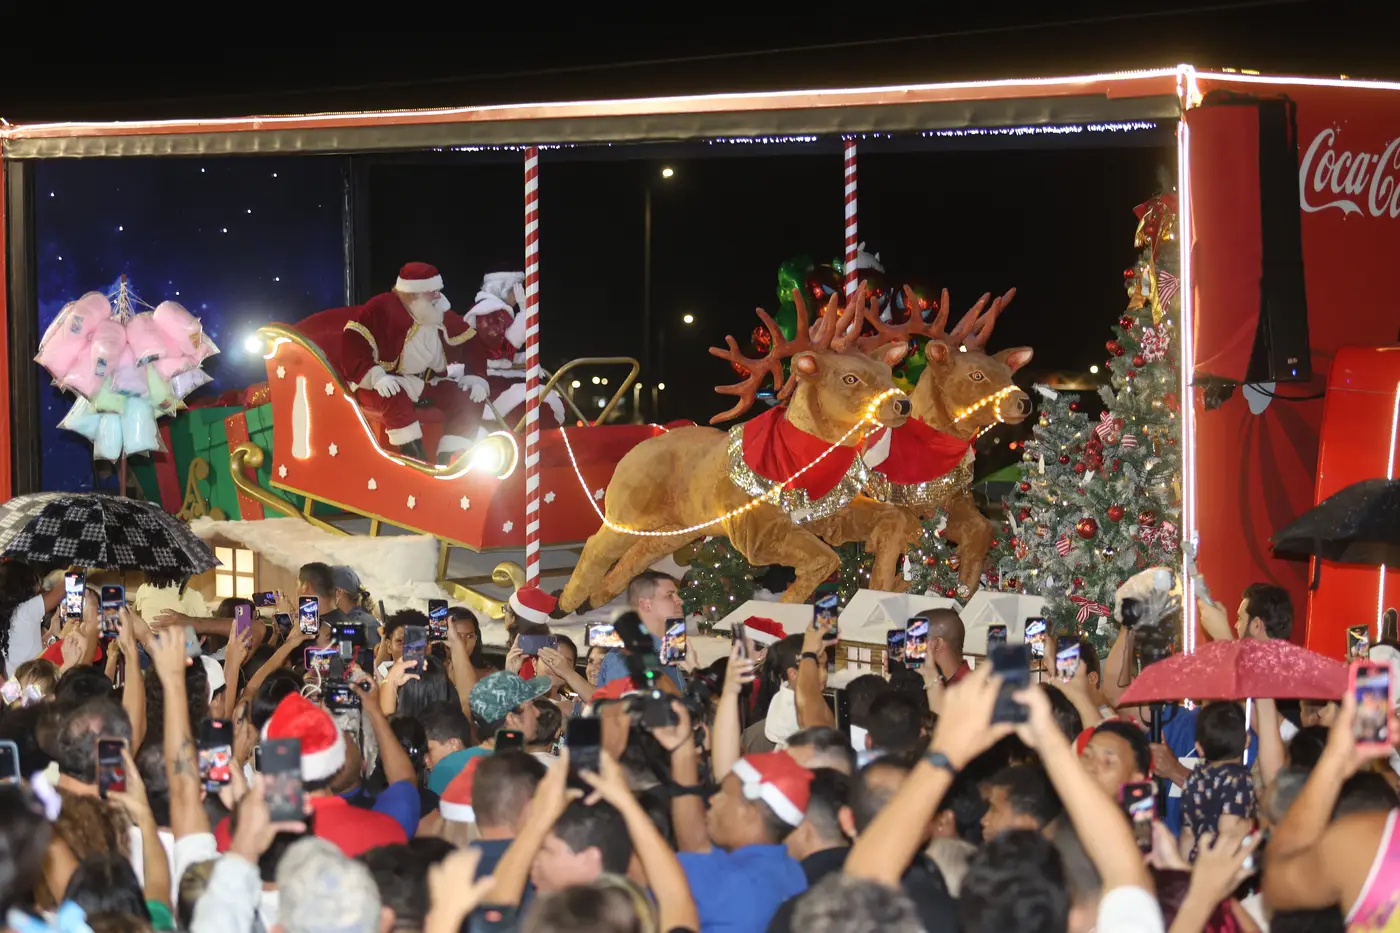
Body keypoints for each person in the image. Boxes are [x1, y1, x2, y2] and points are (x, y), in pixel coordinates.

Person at [336, 262, 483, 463]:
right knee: (394, 398)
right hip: (383, 382)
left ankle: (451, 460)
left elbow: (472, 341)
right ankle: (414, 461)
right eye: (432, 292)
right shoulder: (380, 309)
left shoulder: (436, 312)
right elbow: (354, 342)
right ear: (414, 295)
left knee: (465, 399)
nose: (438, 297)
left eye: (438, 291)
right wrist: (377, 377)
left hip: (425, 382)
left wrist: (476, 377)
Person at [461, 271, 566, 435]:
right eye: (516, 289)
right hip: (489, 377)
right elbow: (497, 351)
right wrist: (524, 314)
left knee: (542, 405)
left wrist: (525, 360)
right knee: (531, 407)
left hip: (500, 374)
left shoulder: (499, 311)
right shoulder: (488, 311)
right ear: (504, 289)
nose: (519, 295)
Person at [1181, 701, 1254, 860]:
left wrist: (1184, 869)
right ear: (1247, 740)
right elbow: (1230, 829)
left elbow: (1187, 834)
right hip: (1224, 866)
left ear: (1199, 748)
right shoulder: (1239, 778)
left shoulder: (1194, 778)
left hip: (1197, 863)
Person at [595, 572, 687, 692]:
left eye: (677, 595)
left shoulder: (670, 654)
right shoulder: (624, 659)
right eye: (670, 595)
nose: (680, 601)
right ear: (645, 605)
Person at [1, 561, 65, 676]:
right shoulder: (25, 610)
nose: (38, 587)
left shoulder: (6, 614)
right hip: (34, 680)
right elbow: (66, 584)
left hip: (18, 681)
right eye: (34, 581)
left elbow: (29, 649)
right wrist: (77, 566)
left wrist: (52, 632)